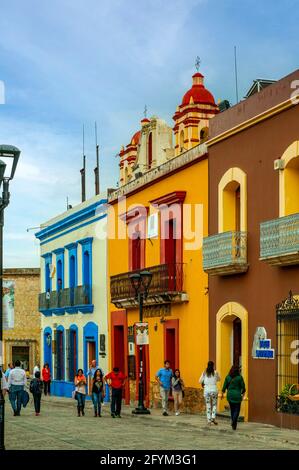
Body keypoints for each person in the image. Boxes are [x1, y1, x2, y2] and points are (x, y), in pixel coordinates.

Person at [221, 365, 246, 430]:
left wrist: (222, 393)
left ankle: (233, 423)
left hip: (230, 395)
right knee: (237, 410)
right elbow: (243, 387)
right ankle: (234, 421)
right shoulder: (240, 378)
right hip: (237, 395)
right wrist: (243, 392)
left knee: (232, 409)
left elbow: (224, 387)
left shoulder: (228, 377)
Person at [199, 361, 221, 425]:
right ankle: (213, 417)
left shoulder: (204, 372)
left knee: (208, 405)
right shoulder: (215, 372)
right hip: (214, 390)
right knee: (214, 404)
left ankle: (209, 420)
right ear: (213, 365)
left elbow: (200, 381)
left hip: (207, 391)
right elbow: (219, 379)